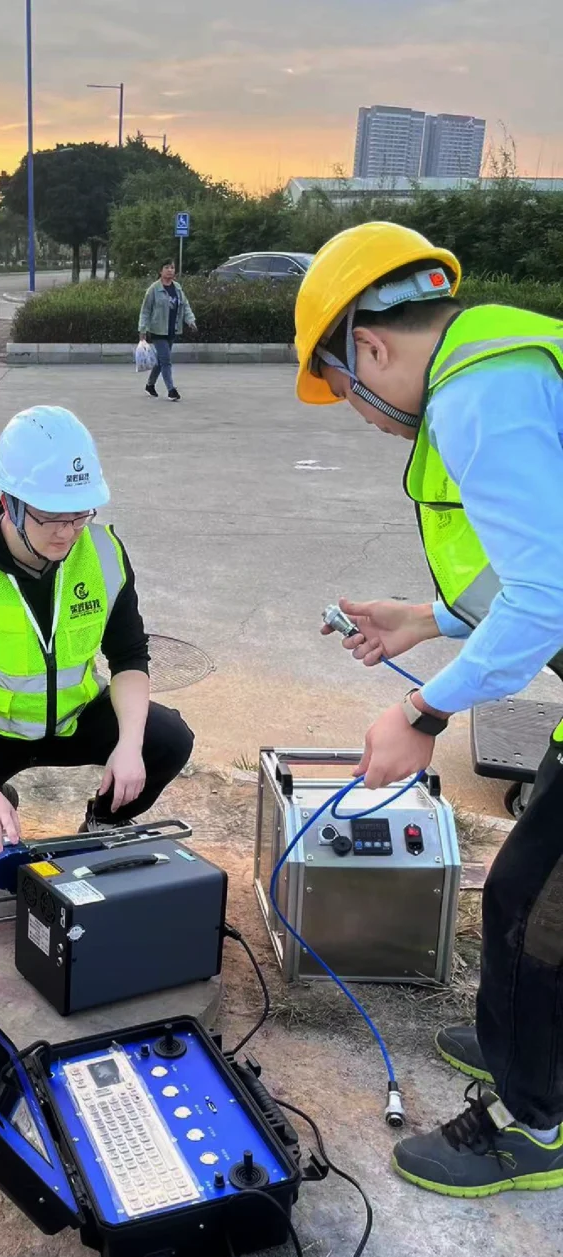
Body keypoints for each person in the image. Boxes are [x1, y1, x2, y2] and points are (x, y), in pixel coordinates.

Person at [295, 219, 563, 1199]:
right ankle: (523, 1034)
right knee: (535, 886)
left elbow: (549, 594)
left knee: (530, 903)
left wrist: (423, 712)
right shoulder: (506, 354)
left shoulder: (478, 394)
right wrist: (429, 617)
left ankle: (535, 1123)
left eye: (344, 391)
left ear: (369, 348)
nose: (362, 416)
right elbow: (540, 556)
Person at [0, 405, 194, 858]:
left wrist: (130, 746)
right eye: (50, 517)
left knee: (168, 740)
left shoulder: (103, 553)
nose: (66, 533)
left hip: (75, 718)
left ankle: (104, 820)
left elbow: (129, 655)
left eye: (78, 515)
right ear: (9, 501)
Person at [138, 259, 196, 401]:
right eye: (166, 267)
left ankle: (150, 385)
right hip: (158, 330)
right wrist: (142, 329)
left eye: (172, 267)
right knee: (166, 360)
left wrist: (190, 320)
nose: (170, 270)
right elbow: (145, 311)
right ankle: (171, 390)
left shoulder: (177, 288)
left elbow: (185, 305)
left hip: (172, 329)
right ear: (160, 271)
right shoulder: (153, 289)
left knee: (161, 360)